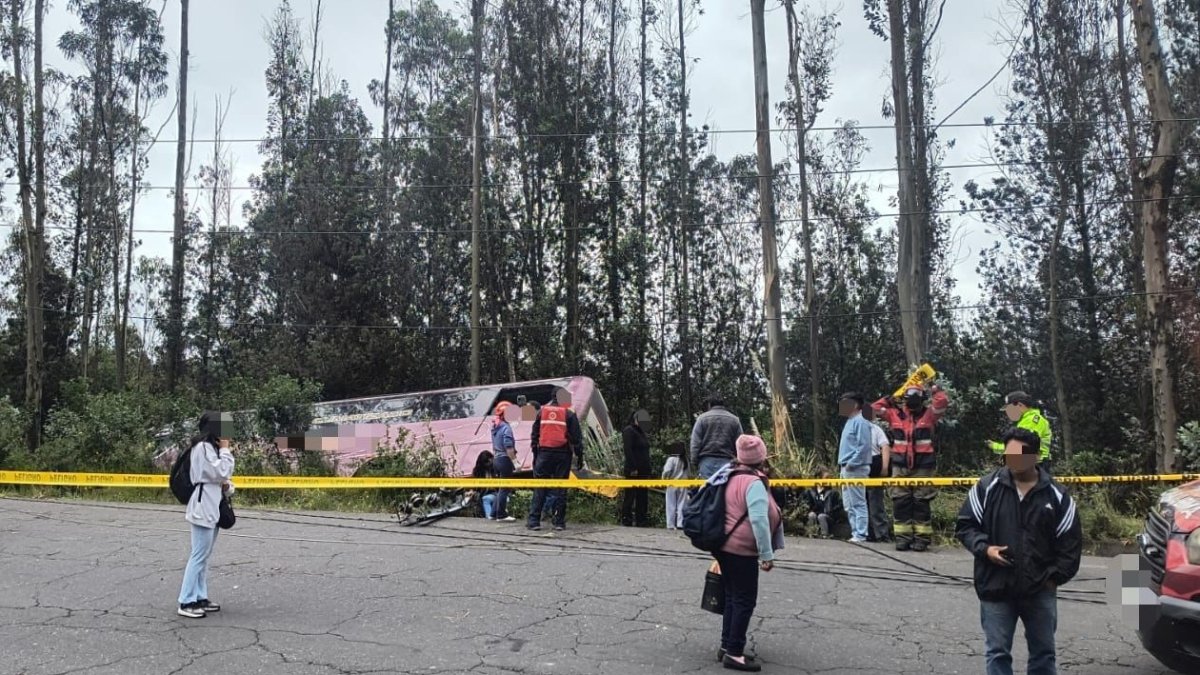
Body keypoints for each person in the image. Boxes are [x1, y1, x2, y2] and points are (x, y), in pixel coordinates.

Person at [955, 427, 1082, 675]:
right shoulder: (986, 488)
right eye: (1009, 455)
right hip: (995, 586)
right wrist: (986, 549)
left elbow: (1071, 544)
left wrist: (1053, 578)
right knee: (997, 653)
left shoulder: (1057, 496)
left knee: (1044, 654)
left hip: (1040, 590)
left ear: (1035, 457)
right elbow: (966, 526)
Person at [712, 435, 783, 672]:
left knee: (732, 597)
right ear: (760, 457)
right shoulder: (753, 483)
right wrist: (766, 554)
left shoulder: (730, 476)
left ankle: (726, 645)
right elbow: (760, 520)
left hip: (724, 547)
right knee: (744, 600)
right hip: (742, 550)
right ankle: (734, 653)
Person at [873, 384, 950, 551]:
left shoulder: (929, 414)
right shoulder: (895, 414)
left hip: (923, 466)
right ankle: (903, 539)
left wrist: (935, 390)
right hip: (900, 466)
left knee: (921, 502)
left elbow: (942, 403)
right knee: (900, 502)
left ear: (922, 399)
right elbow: (873, 409)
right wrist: (889, 399)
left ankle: (922, 539)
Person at [177, 411, 235, 619]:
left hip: (212, 507)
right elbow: (221, 472)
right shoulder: (202, 448)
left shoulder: (211, 448)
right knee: (199, 555)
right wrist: (226, 450)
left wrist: (228, 487)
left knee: (204, 556)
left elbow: (221, 479)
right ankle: (186, 600)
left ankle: (200, 596)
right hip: (202, 507)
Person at [527, 389, 583, 532]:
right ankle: (558, 522)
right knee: (560, 488)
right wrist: (579, 457)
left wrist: (535, 455)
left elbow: (534, 435)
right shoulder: (569, 414)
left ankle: (534, 521)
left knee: (540, 487)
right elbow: (577, 438)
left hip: (544, 454)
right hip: (563, 454)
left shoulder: (542, 412)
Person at [837, 392, 873, 543]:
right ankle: (855, 532)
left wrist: (853, 463)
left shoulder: (861, 421)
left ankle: (861, 534)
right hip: (845, 467)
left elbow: (864, 446)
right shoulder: (850, 421)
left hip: (855, 467)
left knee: (858, 502)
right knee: (848, 503)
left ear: (856, 405)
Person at [988, 391, 1053, 467]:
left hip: (1035, 465)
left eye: (1010, 409)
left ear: (1020, 405)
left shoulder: (1032, 421)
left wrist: (994, 446)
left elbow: (1019, 446)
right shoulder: (1025, 420)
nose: (1008, 413)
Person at [690, 394, 744, 479]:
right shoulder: (734, 420)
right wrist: (740, 462)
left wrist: (695, 462)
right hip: (727, 462)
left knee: (707, 490)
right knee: (725, 490)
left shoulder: (701, 419)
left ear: (709, 405)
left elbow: (695, 443)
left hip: (706, 462)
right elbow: (741, 443)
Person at [864, 406, 893, 543]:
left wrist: (885, 467)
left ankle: (881, 535)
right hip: (859, 468)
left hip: (874, 466)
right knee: (861, 504)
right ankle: (867, 533)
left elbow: (885, 447)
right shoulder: (854, 430)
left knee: (876, 503)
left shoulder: (876, 430)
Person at [620, 411, 652, 527]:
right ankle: (626, 518)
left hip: (644, 470)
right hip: (633, 469)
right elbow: (628, 450)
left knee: (642, 495)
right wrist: (633, 467)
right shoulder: (629, 430)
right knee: (630, 495)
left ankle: (641, 520)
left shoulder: (642, 433)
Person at [490, 402, 518, 522]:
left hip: (496, 459)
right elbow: (509, 447)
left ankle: (493, 513)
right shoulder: (506, 428)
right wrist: (515, 462)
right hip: (504, 459)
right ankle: (501, 514)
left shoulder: (496, 427)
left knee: (501, 488)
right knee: (505, 488)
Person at [803, 467, 846, 538]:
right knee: (811, 515)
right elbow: (807, 505)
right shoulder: (810, 491)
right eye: (826, 478)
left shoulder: (833, 493)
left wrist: (831, 511)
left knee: (821, 516)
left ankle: (825, 535)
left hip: (828, 516)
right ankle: (811, 533)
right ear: (818, 478)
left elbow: (839, 506)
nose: (828, 480)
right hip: (815, 514)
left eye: (829, 478)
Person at [662, 443, 689, 530]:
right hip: (683, 484)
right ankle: (680, 523)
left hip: (672, 484)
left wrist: (664, 480)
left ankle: (670, 524)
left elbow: (667, 471)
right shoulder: (685, 460)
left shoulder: (671, 459)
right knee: (682, 504)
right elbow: (688, 472)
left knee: (671, 504)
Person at [472, 450, 497, 519]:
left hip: (495, 493)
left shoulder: (495, 469)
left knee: (486, 499)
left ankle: (489, 518)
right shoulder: (478, 472)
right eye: (487, 462)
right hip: (483, 493)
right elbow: (476, 487)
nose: (489, 464)